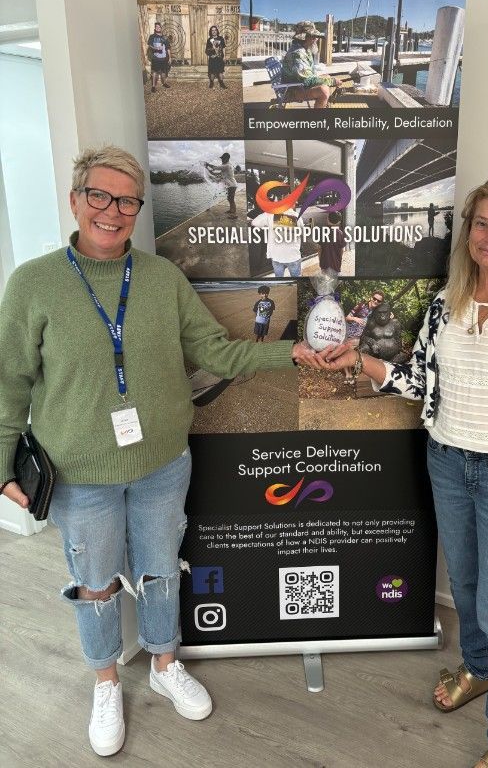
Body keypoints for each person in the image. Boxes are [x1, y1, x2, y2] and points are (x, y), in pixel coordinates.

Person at [0, 146, 318, 758]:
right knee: (94, 584)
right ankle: (104, 680)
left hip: (163, 463)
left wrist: (292, 354)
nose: (113, 212)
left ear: (136, 209)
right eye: (100, 196)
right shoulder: (33, 284)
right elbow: (9, 379)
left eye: (126, 201)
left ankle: (164, 664)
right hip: (79, 472)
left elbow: (218, 353)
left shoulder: (161, 278)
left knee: (157, 570)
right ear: (76, 200)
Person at [322, 177, 488, 768]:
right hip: (447, 458)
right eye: (482, 224)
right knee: (466, 584)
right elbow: (419, 383)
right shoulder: (449, 299)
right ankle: (479, 668)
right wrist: (360, 361)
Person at [281, 20, 343, 109]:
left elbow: (310, 76)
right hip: (291, 91)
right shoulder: (298, 54)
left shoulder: (305, 49)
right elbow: (308, 81)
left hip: (298, 85)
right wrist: (333, 82)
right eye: (313, 36)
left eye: (316, 36)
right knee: (324, 90)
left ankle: (322, 104)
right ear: (303, 37)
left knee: (327, 76)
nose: (316, 39)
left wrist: (328, 79)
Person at [250, 208, 306, 277]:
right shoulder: (296, 216)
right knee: (297, 279)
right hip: (293, 256)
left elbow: (254, 222)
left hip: (276, 256)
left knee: (279, 278)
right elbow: (303, 233)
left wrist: (267, 224)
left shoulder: (270, 214)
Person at [205, 152, 238, 218]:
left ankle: (234, 214)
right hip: (230, 185)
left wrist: (208, 164)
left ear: (227, 158)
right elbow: (216, 173)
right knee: (229, 198)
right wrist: (208, 169)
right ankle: (231, 210)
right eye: (222, 158)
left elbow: (216, 167)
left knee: (231, 199)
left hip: (232, 185)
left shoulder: (227, 166)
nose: (222, 160)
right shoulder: (226, 166)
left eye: (223, 158)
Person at [147, 22, 171, 92]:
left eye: (159, 27)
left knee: (163, 72)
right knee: (155, 72)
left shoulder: (165, 38)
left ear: (161, 28)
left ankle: (164, 83)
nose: (158, 28)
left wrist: (170, 58)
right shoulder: (152, 37)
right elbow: (150, 45)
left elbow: (168, 48)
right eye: (156, 27)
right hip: (155, 58)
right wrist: (156, 48)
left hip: (164, 58)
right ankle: (153, 86)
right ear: (155, 28)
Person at [205, 25, 226, 89]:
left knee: (220, 71)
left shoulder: (221, 38)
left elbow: (224, 48)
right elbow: (206, 50)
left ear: (217, 31)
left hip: (220, 58)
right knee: (212, 72)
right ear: (211, 32)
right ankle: (211, 83)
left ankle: (222, 84)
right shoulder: (209, 40)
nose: (214, 31)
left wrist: (224, 57)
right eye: (212, 30)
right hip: (212, 58)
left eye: (215, 30)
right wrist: (211, 55)